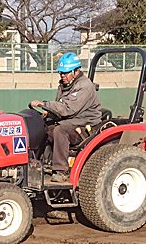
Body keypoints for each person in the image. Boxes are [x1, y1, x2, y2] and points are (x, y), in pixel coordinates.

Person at [30, 52, 102, 183]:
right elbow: (61, 106)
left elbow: (68, 109)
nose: (62, 76)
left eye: (65, 73)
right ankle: (37, 162)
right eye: (61, 73)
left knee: (60, 130)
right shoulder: (65, 85)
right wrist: (48, 112)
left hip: (86, 125)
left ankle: (61, 171)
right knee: (43, 126)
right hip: (73, 120)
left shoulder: (84, 86)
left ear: (76, 71)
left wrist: (44, 104)